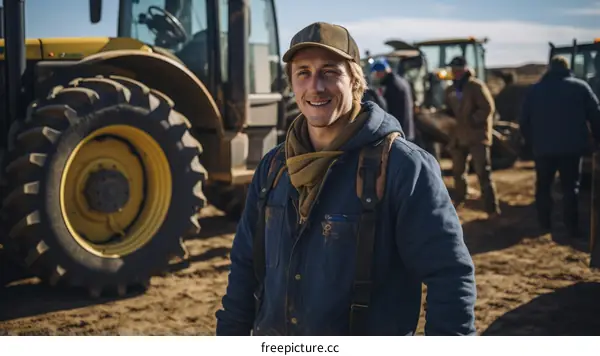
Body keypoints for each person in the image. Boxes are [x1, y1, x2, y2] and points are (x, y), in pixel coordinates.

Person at [215, 21, 476, 336]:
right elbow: (244, 268)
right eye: (303, 73)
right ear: (292, 84)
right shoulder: (274, 168)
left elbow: (449, 276)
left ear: (355, 81)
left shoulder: (401, 167)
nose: (316, 87)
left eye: (329, 72)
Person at [519, 56, 600, 237]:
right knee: (570, 188)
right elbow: (595, 115)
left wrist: (532, 141)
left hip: (543, 149)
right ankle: (571, 226)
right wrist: (596, 139)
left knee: (543, 187)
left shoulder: (535, 90)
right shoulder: (580, 87)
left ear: (549, 68)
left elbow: (523, 120)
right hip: (572, 149)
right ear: (567, 68)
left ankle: (544, 224)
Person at [444, 56, 500, 217]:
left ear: (466, 69)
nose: (455, 73)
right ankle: (459, 203)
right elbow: (449, 110)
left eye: (458, 69)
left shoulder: (476, 86)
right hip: (459, 137)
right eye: (453, 70)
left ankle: (491, 207)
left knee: (483, 172)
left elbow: (488, 108)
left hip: (477, 136)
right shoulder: (451, 89)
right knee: (458, 172)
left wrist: (472, 120)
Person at [370, 58, 416, 141]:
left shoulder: (393, 85)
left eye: (377, 73)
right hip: (406, 128)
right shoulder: (399, 81)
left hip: (399, 130)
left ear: (382, 72)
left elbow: (389, 110)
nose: (376, 76)